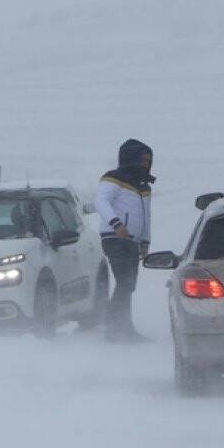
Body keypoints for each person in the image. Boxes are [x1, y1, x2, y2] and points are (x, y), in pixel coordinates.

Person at [95, 139, 154, 343]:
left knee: (129, 285)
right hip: (115, 238)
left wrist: (145, 242)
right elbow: (101, 201)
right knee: (125, 283)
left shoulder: (143, 186)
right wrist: (116, 224)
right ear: (131, 158)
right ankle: (113, 329)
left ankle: (125, 328)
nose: (146, 163)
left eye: (149, 160)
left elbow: (146, 216)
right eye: (143, 159)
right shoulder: (113, 178)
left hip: (132, 242)